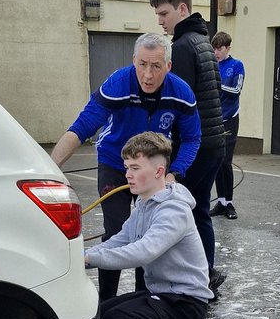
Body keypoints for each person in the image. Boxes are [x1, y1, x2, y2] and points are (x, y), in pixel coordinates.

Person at [50, 32, 200, 299]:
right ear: (133, 60)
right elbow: (82, 126)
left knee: (148, 235)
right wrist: (51, 166)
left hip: (155, 172)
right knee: (116, 230)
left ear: (168, 66)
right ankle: (107, 303)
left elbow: (191, 138)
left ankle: (145, 300)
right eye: (142, 64)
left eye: (156, 66)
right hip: (116, 163)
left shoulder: (181, 93)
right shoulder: (118, 83)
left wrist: (175, 173)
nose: (148, 75)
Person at [84, 132, 211, 319]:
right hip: (163, 296)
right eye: (127, 168)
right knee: (99, 316)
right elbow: (118, 241)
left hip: (185, 303)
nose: (127, 174)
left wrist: (90, 258)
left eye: (135, 168)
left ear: (158, 171)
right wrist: (79, 258)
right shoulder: (144, 204)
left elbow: (144, 251)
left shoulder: (174, 210)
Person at [149, 0, 226, 295]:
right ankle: (205, 272)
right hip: (214, 143)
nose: (160, 21)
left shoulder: (181, 47)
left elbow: (179, 102)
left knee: (186, 213)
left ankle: (197, 279)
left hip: (196, 146)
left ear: (182, 8)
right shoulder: (202, 40)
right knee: (199, 211)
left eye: (164, 13)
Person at [209, 31, 245, 220]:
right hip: (214, 118)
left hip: (230, 117)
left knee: (226, 161)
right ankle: (221, 201)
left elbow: (236, 90)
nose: (216, 52)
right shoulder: (212, 65)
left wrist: (218, 85)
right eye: (214, 48)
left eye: (220, 48)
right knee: (216, 161)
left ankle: (229, 202)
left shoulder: (236, 65)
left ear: (228, 48)